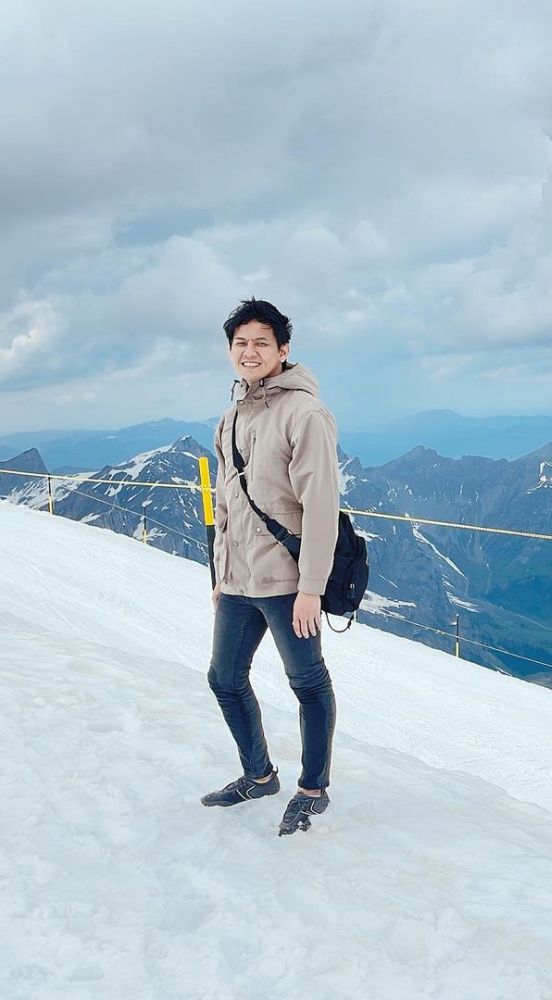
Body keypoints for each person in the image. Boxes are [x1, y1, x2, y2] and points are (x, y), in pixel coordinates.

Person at [201, 298, 340, 837]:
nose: (250, 351)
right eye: (241, 343)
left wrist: (312, 589)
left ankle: (313, 788)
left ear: (284, 350)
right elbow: (228, 499)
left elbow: (321, 506)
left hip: (288, 581)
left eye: (262, 342)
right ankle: (258, 776)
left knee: (307, 682)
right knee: (225, 678)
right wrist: (221, 574)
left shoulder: (304, 414)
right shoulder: (233, 414)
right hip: (239, 579)